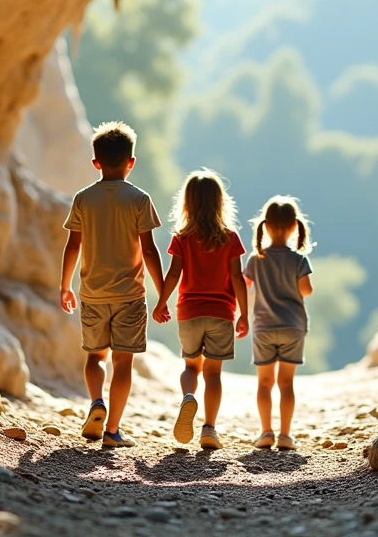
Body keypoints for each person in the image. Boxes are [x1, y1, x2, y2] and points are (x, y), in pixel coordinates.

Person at [59, 121, 164, 448]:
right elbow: (149, 249)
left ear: (96, 163)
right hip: (130, 296)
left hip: (92, 294)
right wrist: (162, 294)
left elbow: (73, 246)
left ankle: (95, 402)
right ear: (131, 162)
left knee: (95, 357)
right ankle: (113, 431)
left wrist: (65, 286)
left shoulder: (83, 199)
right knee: (123, 362)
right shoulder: (139, 199)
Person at [153, 170, 248, 450]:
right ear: (220, 202)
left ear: (187, 203)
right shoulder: (230, 238)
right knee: (214, 374)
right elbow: (238, 279)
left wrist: (161, 302)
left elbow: (173, 275)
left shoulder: (182, 237)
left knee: (191, 366)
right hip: (221, 313)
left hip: (189, 311)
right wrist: (243, 313)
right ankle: (209, 429)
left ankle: (187, 396)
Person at [245, 195, 314, 451]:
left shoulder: (256, 259)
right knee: (286, 384)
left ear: (265, 225)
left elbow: (245, 287)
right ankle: (285, 435)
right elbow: (306, 291)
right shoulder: (298, 260)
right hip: (293, 327)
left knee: (264, 383)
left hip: (263, 327)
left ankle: (266, 433)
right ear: (294, 227)